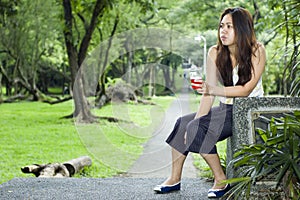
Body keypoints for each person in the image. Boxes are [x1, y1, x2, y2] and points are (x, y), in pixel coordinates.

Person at [154, 7, 266, 198]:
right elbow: (209, 93)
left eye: (229, 26)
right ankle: (174, 179)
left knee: (196, 128)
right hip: (226, 108)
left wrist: (212, 91)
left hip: (248, 111)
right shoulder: (215, 52)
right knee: (183, 124)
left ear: (242, 28)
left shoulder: (257, 50)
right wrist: (195, 121)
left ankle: (221, 179)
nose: (223, 31)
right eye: (221, 26)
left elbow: (246, 90)